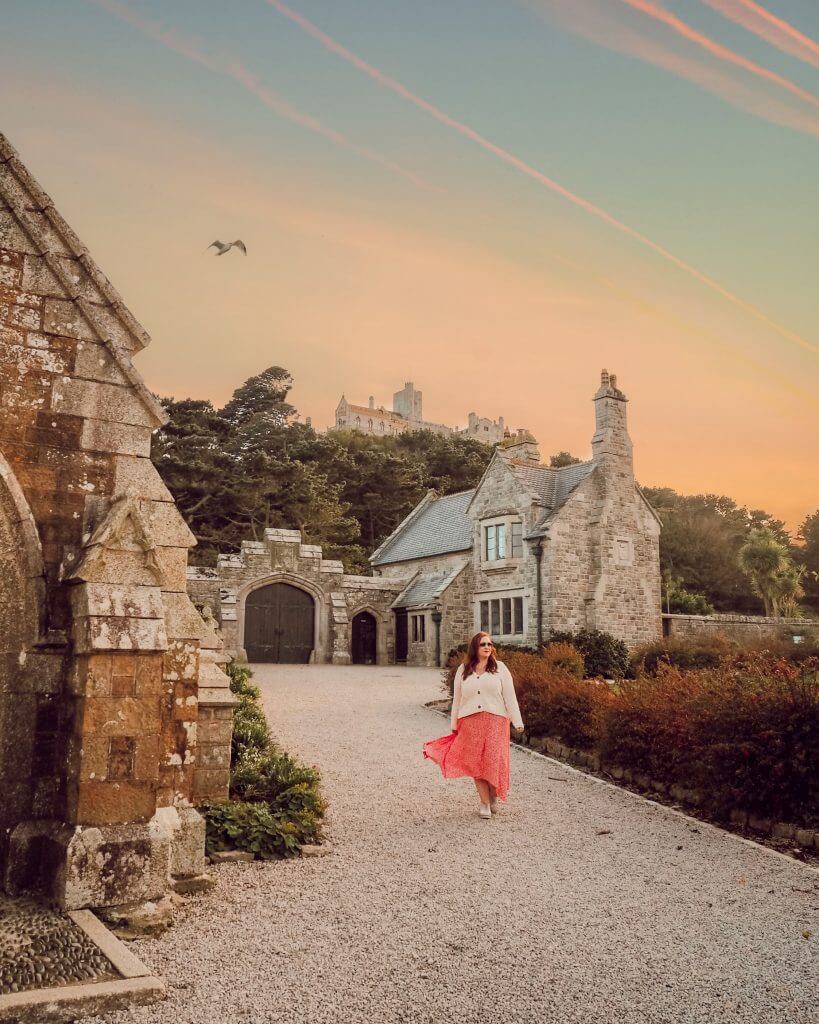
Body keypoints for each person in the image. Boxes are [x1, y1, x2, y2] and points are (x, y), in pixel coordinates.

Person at [423, 632, 524, 819]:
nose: (487, 647)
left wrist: (517, 721)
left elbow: (510, 696)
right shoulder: (463, 670)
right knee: (476, 763)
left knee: (492, 760)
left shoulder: (500, 668)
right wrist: (454, 723)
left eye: (490, 644)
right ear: (475, 648)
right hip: (470, 721)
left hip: (496, 720)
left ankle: (493, 793)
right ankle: (484, 803)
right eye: (483, 644)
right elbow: (457, 699)